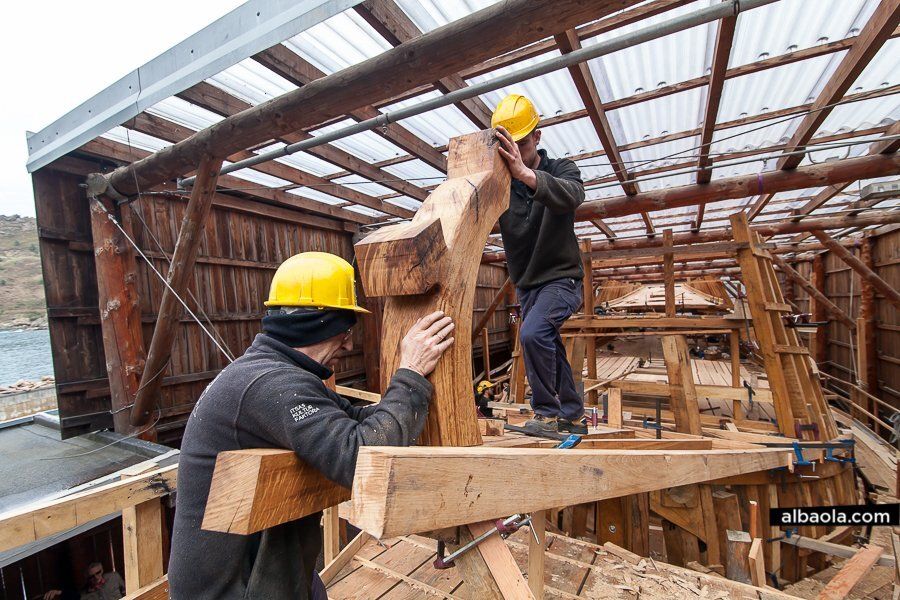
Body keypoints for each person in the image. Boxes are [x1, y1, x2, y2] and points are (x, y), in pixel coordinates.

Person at [168, 252, 455, 600]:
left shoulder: (272, 374)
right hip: (231, 591)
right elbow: (363, 459)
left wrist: (409, 400)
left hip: (266, 568)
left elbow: (356, 421)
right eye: (345, 330)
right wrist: (410, 373)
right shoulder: (272, 385)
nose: (349, 343)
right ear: (319, 324)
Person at [493, 93, 587, 436]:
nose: (515, 153)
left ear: (537, 136)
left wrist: (525, 175)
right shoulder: (500, 185)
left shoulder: (561, 169)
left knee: (532, 334)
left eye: (521, 143)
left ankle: (546, 414)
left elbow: (574, 195)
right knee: (547, 343)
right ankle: (573, 415)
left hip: (562, 279)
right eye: (508, 146)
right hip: (527, 283)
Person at [43, 562, 125, 600]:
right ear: (88, 578)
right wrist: (58, 592)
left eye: (98, 572)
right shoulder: (85, 594)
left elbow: (126, 589)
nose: (96, 577)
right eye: (92, 576)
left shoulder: (113, 576)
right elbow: (74, 595)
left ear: (102, 570)